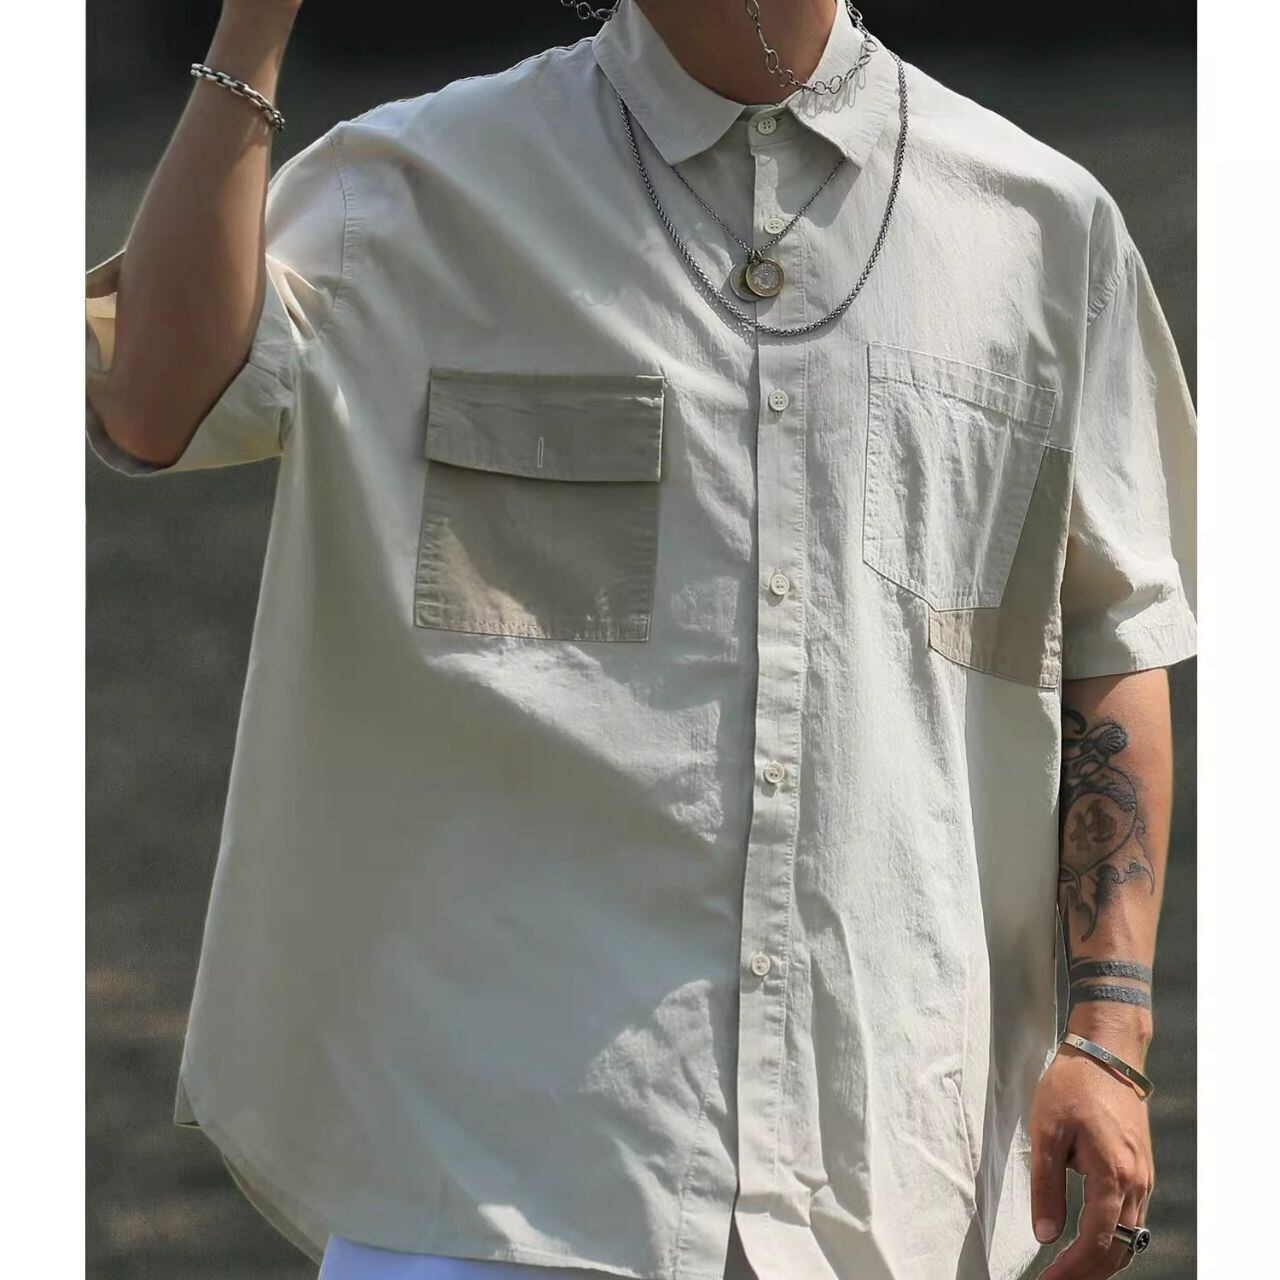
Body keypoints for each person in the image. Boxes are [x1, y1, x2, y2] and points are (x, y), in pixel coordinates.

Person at [84, 2, 1197, 1279]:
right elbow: (154, 401)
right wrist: (253, 27)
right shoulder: (411, 185)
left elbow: (1106, 635)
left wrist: (1108, 1036)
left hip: (896, 1174)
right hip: (492, 1181)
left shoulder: (1043, 232)